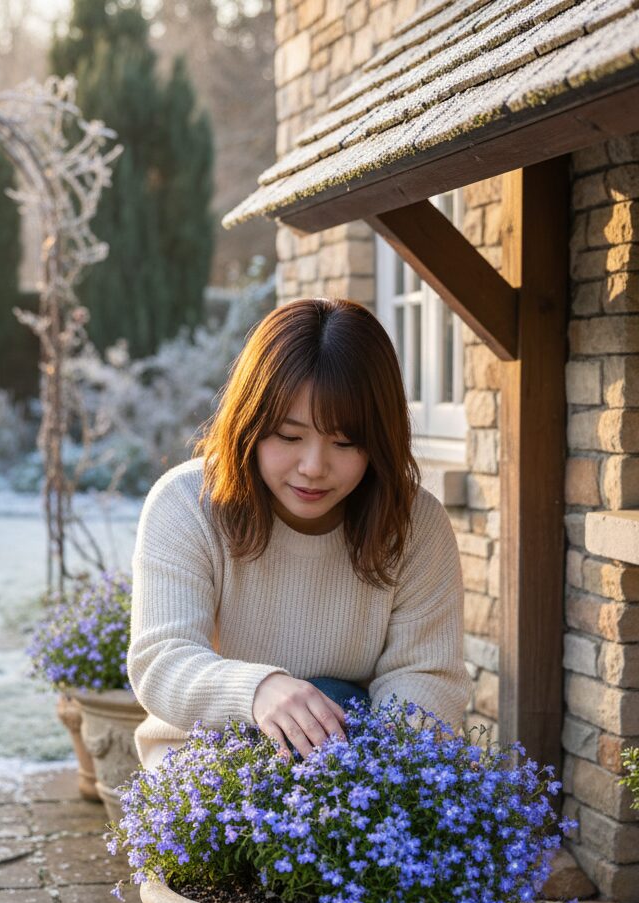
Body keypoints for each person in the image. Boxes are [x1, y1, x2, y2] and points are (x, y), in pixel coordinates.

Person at [127, 297, 472, 771]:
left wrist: (361, 773)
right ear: (249, 425)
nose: (313, 468)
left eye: (345, 442)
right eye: (289, 437)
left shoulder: (414, 525)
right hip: (205, 767)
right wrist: (258, 691)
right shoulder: (187, 503)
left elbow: (425, 676)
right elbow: (162, 661)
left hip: (356, 758)